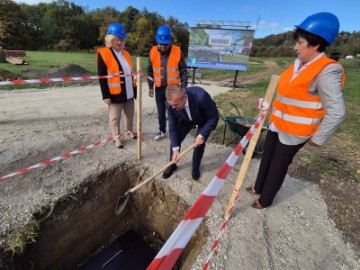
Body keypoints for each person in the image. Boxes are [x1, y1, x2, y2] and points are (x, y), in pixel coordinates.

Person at [246, 12, 345, 209]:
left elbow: (337, 111)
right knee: (267, 157)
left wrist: (318, 139)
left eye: (300, 43)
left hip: (295, 131)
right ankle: (258, 187)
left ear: (315, 45)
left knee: (277, 166)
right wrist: (265, 103)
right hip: (278, 123)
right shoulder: (298, 65)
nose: (295, 47)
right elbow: (287, 95)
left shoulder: (327, 70)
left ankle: (264, 200)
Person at [162, 84, 219, 181]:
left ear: (185, 98)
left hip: (202, 119)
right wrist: (175, 149)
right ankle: (172, 165)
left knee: (198, 144)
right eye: (171, 105)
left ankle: (195, 168)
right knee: (175, 139)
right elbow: (173, 128)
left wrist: (201, 135)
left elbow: (214, 117)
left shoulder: (201, 96)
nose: (173, 107)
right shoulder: (171, 105)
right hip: (185, 120)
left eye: (176, 105)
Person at [97, 22, 137, 149]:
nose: (120, 42)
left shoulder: (126, 54)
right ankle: (117, 138)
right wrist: (105, 95)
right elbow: (102, 77)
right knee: (114, 118)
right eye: (117, 39)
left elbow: (130, 71)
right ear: (110, 39)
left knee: (130, 114)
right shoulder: (104, 53)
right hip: (115, 93)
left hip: (129, 92)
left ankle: (129, 130)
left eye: (122, 39)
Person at [147, 25, 188, 141]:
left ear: (170, 41)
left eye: (165, 44)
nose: (162, 46)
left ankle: (176, 132)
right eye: (160, 43)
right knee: (161, 112)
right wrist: (150, 86)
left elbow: (183, 71)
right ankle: (162, 131)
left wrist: (183, 88)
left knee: (175, 111)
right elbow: (150, 70)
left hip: (173, 89)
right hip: (159, 88)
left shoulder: (178, 51)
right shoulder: (153, 51)